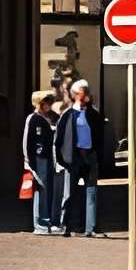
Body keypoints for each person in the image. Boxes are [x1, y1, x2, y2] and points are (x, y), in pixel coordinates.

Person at [56, 78, 109, 237]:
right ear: (74, 95)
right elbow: (59, 138)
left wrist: (99, 156)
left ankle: (90, 228)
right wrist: (61, 160)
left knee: (91, 192)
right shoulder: (68, 115)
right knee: (70, 193)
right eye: (81, 92)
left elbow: (100, 135)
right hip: (74, 156)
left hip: (90, 156)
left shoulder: (94, 113)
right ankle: (66, 226)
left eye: (86, 92)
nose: (84, 95)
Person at [22, 90, 65, 235]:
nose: (49, 105)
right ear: (40, 103)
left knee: (48, 191)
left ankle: (46, 223)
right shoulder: (32, 119)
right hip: (38, 160)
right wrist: (29, 162)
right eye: (47, 102)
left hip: (47, 159)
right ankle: (40, 223)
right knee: (41, 191)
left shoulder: (48, 118)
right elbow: (27, 142)